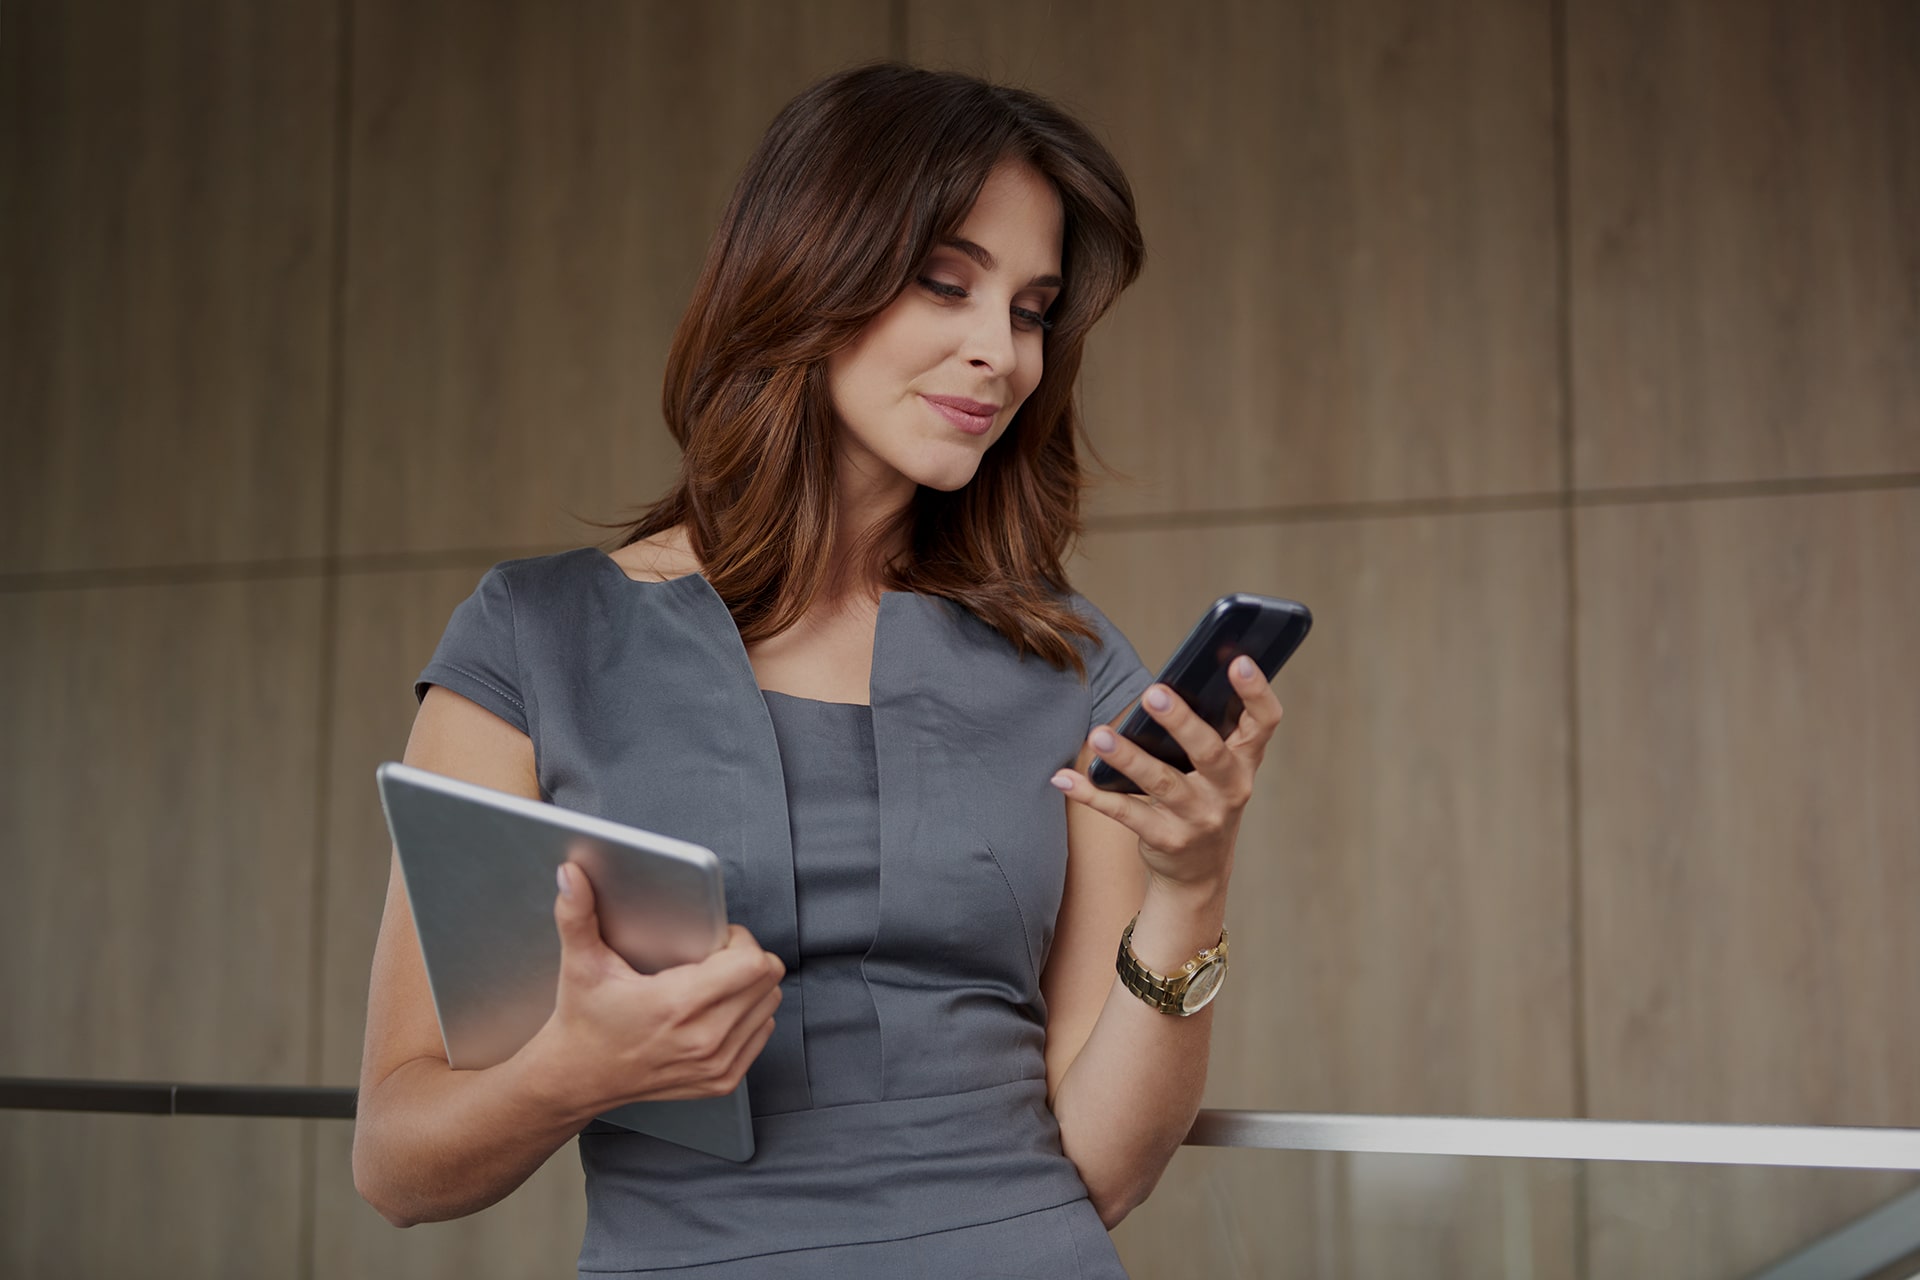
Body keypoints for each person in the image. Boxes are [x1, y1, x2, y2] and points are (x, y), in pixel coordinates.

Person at [353, 63, 1284, 1278]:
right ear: (806, 275)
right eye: (945, 283)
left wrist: (1189, 887)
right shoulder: (535, 639)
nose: (997, 352)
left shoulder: (1067, 661)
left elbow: (1105, 1168)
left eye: (1030, 308)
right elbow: (397, 1163)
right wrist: (571, 1069)